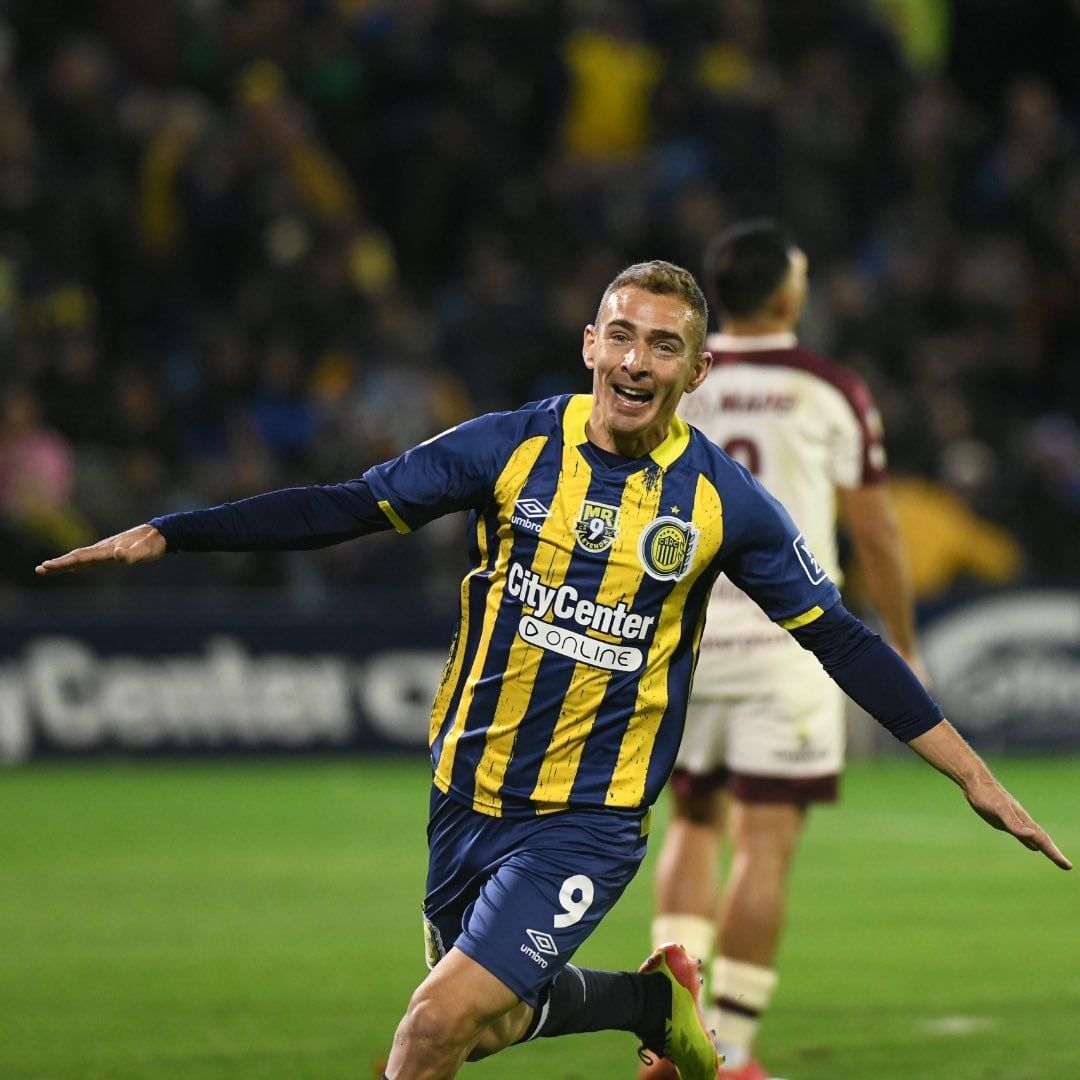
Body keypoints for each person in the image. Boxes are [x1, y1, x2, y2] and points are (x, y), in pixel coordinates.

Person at [36, 261, 1069, 1080]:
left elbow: (841, 638)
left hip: (588, 815)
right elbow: (345, 506)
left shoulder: (724, 503)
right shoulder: (507, 449)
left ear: (694, 373)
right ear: (589, 343)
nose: (635, 359)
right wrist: (173, 534)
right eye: (620, 334)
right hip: (463, 793)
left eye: (663, 345)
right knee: (491, 1026)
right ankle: (648, 1005)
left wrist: (972, 775)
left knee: (432, 1027)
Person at [642, 222, 925, 1080]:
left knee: (690, 826)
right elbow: (874, 530)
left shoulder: (678, 377)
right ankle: (728, 1050)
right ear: (790, 296)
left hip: (681, 640)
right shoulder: (830, 388)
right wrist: (901, 647)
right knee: (766, 841)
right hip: (787, 645)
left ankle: (669, 1039)